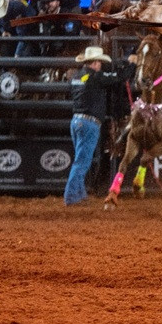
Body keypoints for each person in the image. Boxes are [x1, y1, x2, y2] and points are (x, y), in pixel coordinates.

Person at [65, 46, 136, 206]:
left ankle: (79, 193)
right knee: (82, 161)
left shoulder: (77, 77)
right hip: (89, 122)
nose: (100, 66)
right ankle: (71, 196)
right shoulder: (95, 77)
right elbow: (119, 77)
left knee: (80, 159)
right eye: (99, 63)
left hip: (76, 120)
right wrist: (131, 65)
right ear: (95, 63)